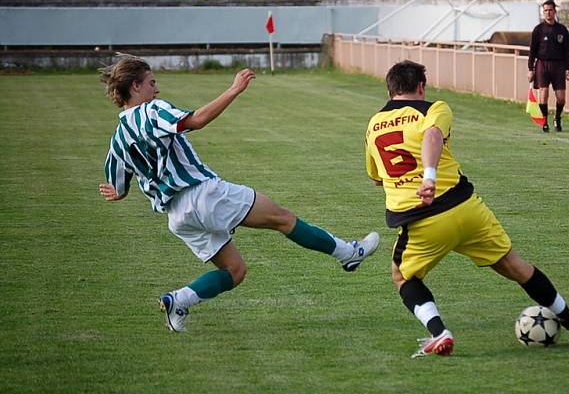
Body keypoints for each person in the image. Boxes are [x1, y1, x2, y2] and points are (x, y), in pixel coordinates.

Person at [99, 55, 379, 333]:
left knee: (235, 271)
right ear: (135, 87)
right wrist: (234, 89)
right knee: (283, 219)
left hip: (177, 217)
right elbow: (195, 121)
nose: (156, 89)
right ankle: (348, 253)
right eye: (151, 83)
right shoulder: (151, 110)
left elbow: (118, 187)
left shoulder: (117, 138)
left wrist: (115, 193)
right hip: (203, 195)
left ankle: (178, 301)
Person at [364, 60, 569, 358]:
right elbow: (433, 135)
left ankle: (438, 332)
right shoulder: (434, 108)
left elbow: (376, 178)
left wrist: (417, 181)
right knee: (513, 265)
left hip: (422, 220)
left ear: (390, 89)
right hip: (466, 208)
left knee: (402, 277)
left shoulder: (372, 126)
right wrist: (429, 175)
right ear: (421, 87)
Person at [528, 0, 569, 132]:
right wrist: (531, 69)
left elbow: (567, 51)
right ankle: (544, 121)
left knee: (561, 98)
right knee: (543, 92)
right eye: (545, 10)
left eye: (550, 10)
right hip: (542, 64)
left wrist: (568, 68)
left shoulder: (562, 29)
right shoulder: (538, 30)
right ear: (543, 12)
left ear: (555, 11)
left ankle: (557, 118)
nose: (548, 13)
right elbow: (532, 50)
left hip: (558, 65)